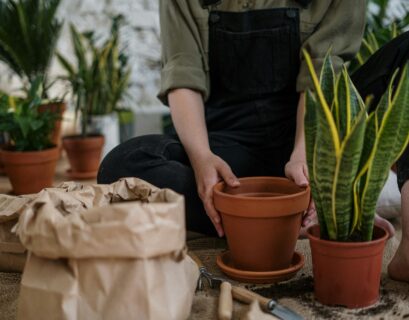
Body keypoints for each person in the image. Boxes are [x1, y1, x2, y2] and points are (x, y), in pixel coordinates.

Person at [98, 0, 404, 276]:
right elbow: (183, 75)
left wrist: (304, 154)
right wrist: (202, 156)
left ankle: (269, 213)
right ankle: (287, 214)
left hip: (317, 134)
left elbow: (322, 74)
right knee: (122, 164)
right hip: (229, 151)